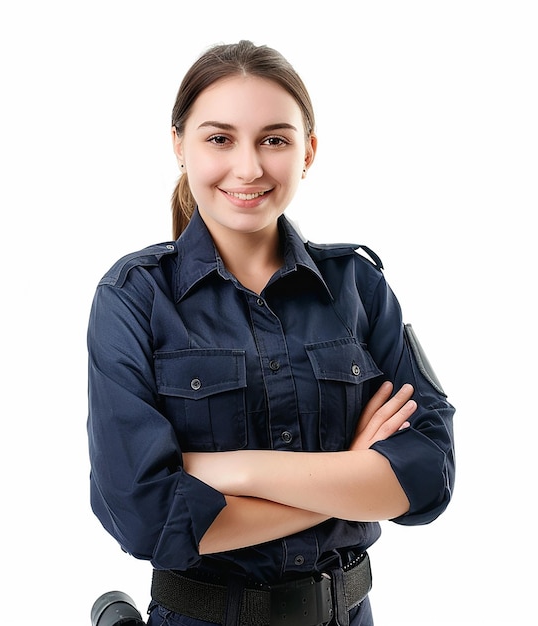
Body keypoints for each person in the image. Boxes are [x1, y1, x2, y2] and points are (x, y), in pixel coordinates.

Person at [87, 40, 455, 626]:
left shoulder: (358, 285)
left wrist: (235, 470)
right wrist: (349, 474)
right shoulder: (133, 298)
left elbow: (427, 474)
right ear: (179, 145)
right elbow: (146, 514)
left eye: (274, 139)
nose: (249, 167)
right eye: (219, 138)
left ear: (308, 150)